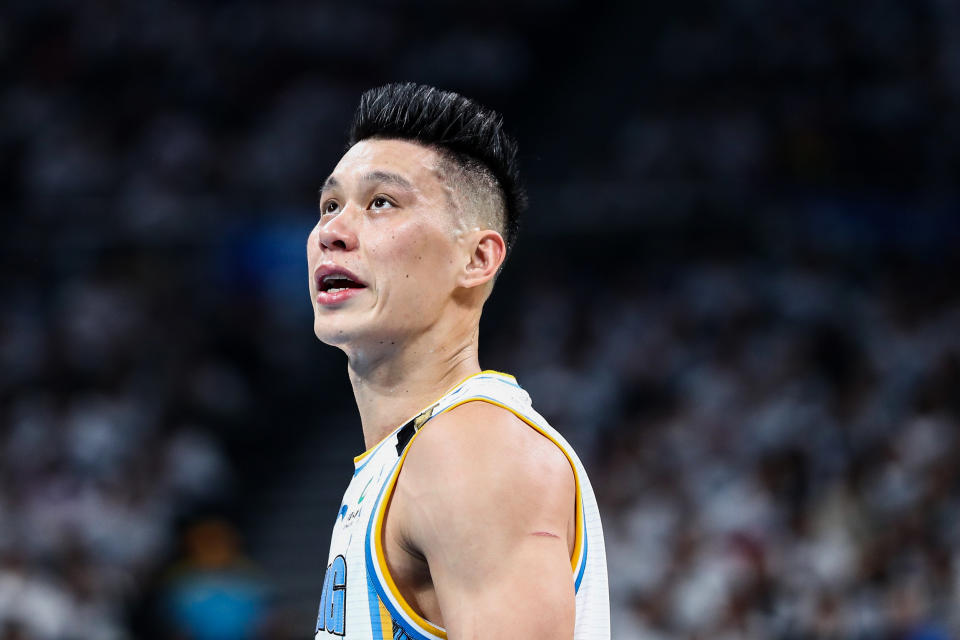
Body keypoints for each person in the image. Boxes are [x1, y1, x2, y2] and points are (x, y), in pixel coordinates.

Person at [306, 82, 609, 640]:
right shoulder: (409, 459)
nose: (332, 232)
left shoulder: (471, 451)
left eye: (380, 203)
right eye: (329, 205)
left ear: (477, 258)